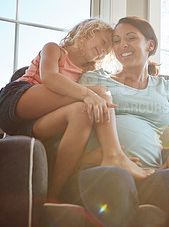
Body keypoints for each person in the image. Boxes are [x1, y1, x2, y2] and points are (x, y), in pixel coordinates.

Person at [76, 16, 169, 227]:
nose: (122, 45)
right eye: (116, 40)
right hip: (102, 171)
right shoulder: (95, 79)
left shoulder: (164, 88)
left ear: (150, 45)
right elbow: (71, 124)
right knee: (116, 179)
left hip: (149, 175)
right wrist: (90, 158)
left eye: (131, 38)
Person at [0, 18, 153, 201]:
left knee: (82, 112)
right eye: (103, 42)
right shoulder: (54, 49)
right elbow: (50, 78)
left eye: (106, 51)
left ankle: (54, 195)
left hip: (36, 126)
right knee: (101, 93)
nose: (103, 51)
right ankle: (114, 154)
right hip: (17, 101)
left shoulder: (86, 74)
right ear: (87, 30)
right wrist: (89, 94)